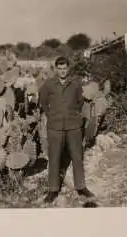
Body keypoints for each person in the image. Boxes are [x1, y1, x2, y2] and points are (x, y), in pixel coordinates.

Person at [39, 56, 95, 203]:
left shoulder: (75, 84)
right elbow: (43, 102)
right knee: (54, 158)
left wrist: (74, 115)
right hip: (55, 127)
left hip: (73, 126)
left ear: (68, 69)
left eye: (65, 68)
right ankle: (52, 190)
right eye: (60, 68)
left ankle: (81, 187)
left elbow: (80, 101)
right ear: (56, 69)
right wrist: (51, 115)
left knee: (77, 157)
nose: (62, 71)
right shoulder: (49, 84)